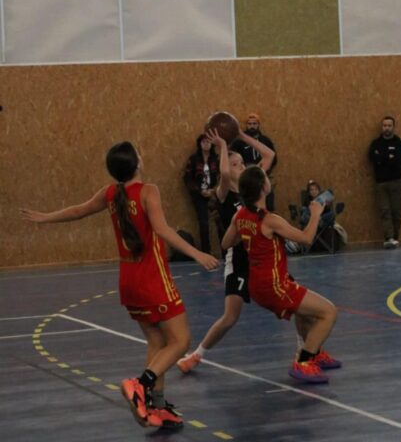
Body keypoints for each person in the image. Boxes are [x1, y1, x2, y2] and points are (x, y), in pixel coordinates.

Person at [21, 141, 219, 429]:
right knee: (180, 341)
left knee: (157, 342)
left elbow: (79, 210)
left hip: (128, 280)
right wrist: (197, 253)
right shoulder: (149, 191)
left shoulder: (111, 193)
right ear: (136, 163)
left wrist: (45, 217)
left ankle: (157, 406)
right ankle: (140, 385)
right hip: (153, 278)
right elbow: (162, 230)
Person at [222, 165, 340, 383]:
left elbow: (226, 243)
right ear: (263, 188)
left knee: (304, 311)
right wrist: (316, 213)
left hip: (256, 284)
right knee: (329, 312)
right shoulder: (270, 220)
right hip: (274, 285)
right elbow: (306, 238)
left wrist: (248, 236)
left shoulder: (240, 216)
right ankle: (304, 360)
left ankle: (314, 351)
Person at [176, 126, 275, 373]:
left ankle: (307, 352)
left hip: (263, 256)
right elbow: (223, 172)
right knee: (230, 316)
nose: (240, 167)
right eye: (235, 164)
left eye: (242, 163)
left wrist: (240, 135)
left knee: (295, 303)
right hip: (239, 257)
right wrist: (222, 147)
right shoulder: (224, 193)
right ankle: (196, 356)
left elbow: (269, 155)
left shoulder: (252, 186)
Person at [368, 116, 401, 249]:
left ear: (393, 127)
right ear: (382, 127)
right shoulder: (376, 143)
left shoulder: (398, 143)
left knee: (396, 212)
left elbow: (397, 160)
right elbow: (373, 157)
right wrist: (388, 157)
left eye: (389, 126)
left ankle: (395, 237)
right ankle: (389, 238)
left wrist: (381, 158)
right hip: (381, 183)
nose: (387, 128)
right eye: (384, 125)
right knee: (385, 211)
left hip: (396, 182)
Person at [230, 113, 277, 211]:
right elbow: (231, 157)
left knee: (268, 206)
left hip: (260, 173)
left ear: (258, 125)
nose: (252, 126)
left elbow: (273, 157)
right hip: (245, 177)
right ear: (246, 125)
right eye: (249, 124)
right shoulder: (238, 142)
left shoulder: (265, 140)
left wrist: (265, 170)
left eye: (254, 124)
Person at [183, 133, 220, 253]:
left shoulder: (216, 159)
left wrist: (214, 190)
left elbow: (221, 177)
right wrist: (199, 191)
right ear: (199, 144)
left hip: (214, 194)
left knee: (220, 222)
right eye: (203, 142)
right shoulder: (193, 159)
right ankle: (206, 253)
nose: (206, 144)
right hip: (199, 195)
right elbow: (187, 178)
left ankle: (225, 252)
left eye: (208, 141)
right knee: (203, 224)